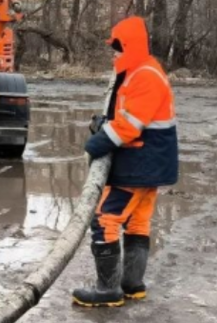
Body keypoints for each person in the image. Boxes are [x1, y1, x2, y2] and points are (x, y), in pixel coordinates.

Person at [76, 16, 178, 307]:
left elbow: (130, 125)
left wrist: (97, 143)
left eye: (118, 48)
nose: (114, 53)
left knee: (105, 220)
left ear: (129, 47)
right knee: (137, 223)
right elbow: (126, 115)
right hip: (147, 164)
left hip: (139, 164)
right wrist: (105, 122)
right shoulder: (139, 71)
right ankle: (132, 285)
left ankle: (108, 291)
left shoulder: (144, 74)